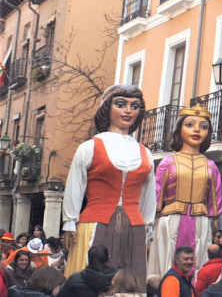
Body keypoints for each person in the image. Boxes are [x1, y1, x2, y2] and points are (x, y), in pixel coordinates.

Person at [62, 84, 154, 279]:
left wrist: (148, 225)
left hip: (134, 227)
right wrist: (70, 221)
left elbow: (148, 194)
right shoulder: (89, 147)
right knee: (92, 277)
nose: (128, 111)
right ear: (107, 108)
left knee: (129, 280)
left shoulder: (145, 153)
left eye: (135, 106)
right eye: (121, 104)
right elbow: (75, 186)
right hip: (95, 223)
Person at [148, 104, 222, 277]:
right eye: (189, 124)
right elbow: (156, 194)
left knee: (198, 261)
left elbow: (214, 197)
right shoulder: (168, 162)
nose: (196, 130)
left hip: (200, 221)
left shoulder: (210, 166)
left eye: (203, 127)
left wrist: (214, 219)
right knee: (169, 261)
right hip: (171, 220)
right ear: (179, 129)